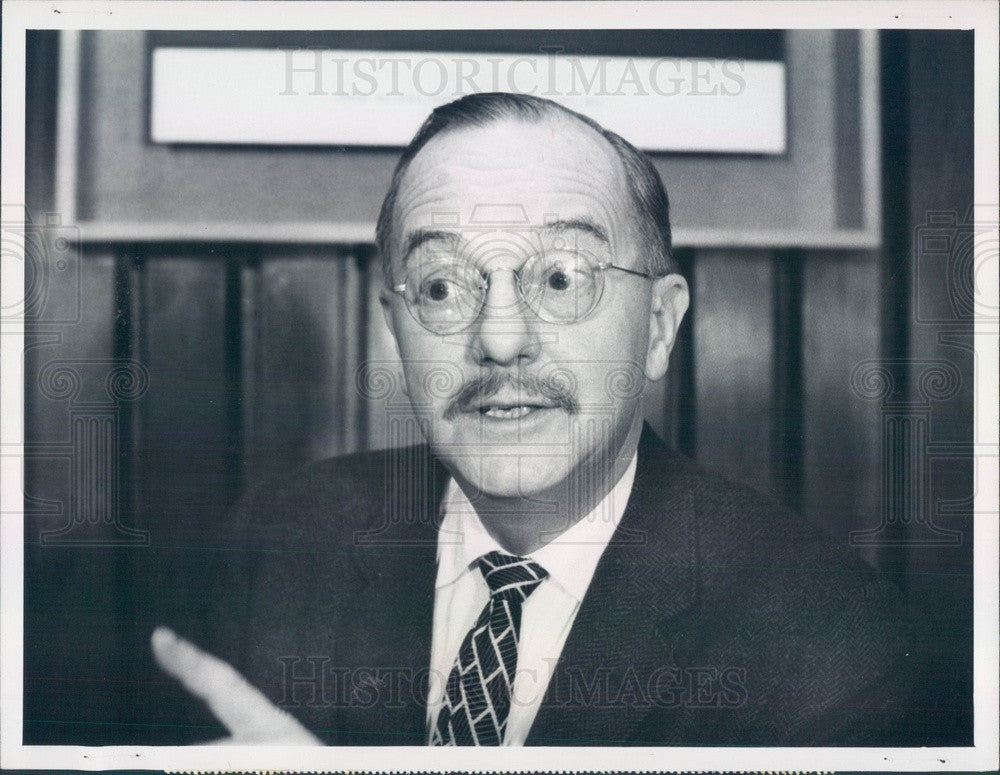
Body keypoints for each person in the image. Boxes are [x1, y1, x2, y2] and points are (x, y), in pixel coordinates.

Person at [152, 92, 916, 746]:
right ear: (395, 325)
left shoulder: (825, 639)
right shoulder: (283, 543)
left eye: (561, 277)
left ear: (657, 326)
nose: (500, 338)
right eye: (443, 286)